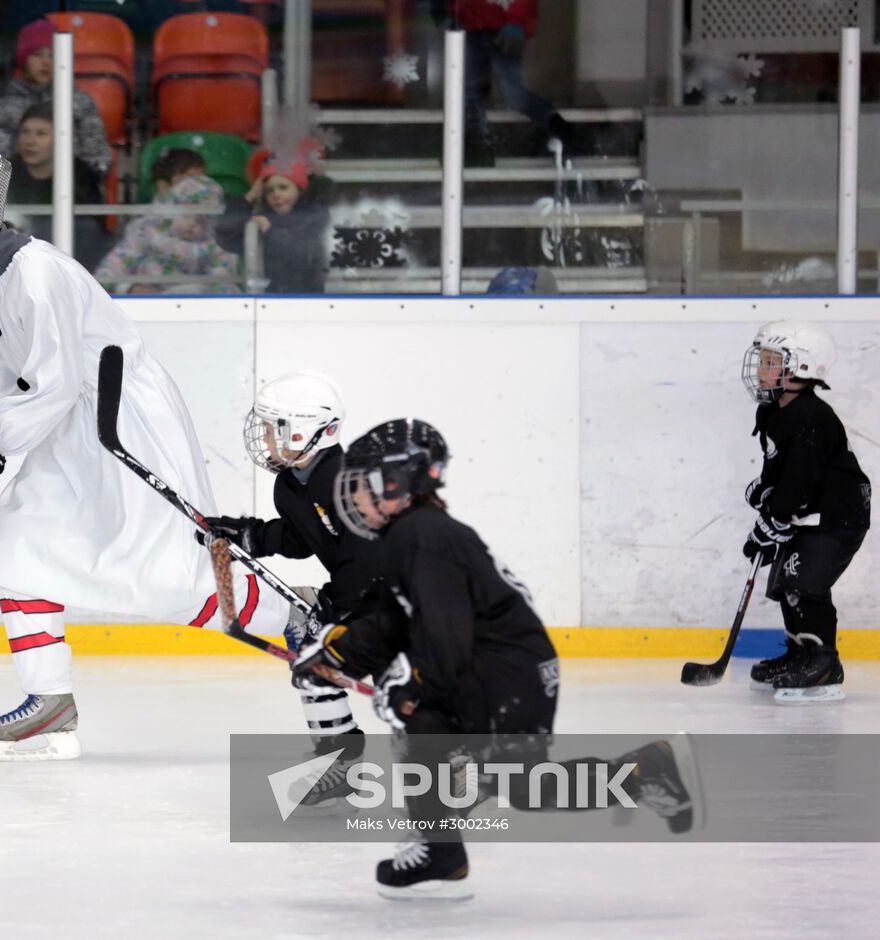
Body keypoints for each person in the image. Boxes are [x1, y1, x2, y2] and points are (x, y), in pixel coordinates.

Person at [0, 152, 308, 761]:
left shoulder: (36, 275)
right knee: (19, 550)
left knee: (170, 573)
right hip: (68, 424)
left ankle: (300, 624)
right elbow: (2, 371)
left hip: (121, 424)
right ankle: (49, 704)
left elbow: (56, 382)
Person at [292, 419, 701, 899]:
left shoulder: (422, 536)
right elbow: (395, 621)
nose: (353, 499)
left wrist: (410, 687)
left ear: (398, 481)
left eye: (362, 485)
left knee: (453, 743)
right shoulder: (410, 535)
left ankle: (445, 849)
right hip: (505, 668)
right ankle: (638, 773)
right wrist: (338, 654)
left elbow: (445, 635)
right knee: (488, 765)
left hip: (506, 675)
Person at [203, 373, 382, 812]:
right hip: (362, 601)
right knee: (312, 656)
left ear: (302, 431)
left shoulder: (349, 482)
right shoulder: (291, 484)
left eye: (271, 427)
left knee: (412, 692)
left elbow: (371, 559)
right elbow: (306, 540)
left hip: (403, 604)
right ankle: (339, 760)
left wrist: (335, 605)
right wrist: (250, 536)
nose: (263, 437)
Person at [740, 321, 870, 704]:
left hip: (836, 518)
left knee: (804, 584)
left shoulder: (812, 416)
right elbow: (779, 467)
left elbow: (801, 481)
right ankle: (801, 653)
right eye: (762, 360)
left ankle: (824, 664)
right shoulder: (773, 412)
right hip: (808, 514)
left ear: (803, 367)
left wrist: (775, 516)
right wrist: (766, 495)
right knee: (784, 584)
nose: (761, 369)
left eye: (771, 361)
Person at [428, 0, 576, 164]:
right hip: (469, 27)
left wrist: (516, 21)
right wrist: (443, 11)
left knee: (512, 95)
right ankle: (476, 144)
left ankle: (557, 125)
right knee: (469, 93)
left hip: (501, 27)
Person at [0, 18, 111, 178]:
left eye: (52, 55)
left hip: (74, 187)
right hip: (20, 192)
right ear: (24, 61)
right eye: (37, 55)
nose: (45, 62)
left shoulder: (79, 103)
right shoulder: (5, 107)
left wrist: (80, 179)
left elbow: (98, 158)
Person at [6, 102, 110, 271]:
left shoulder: (82, 176)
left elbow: (89, 231)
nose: (30, 141)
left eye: (41, 134)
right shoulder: (5, 173)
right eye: (25, 132)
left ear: (61, 138)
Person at [93, 175, 238, 294]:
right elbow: (109, 270)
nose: (193, 223)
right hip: (142, 306)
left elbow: (222, 285)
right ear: (172, 209)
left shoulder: (216, 245)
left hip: (192, 311)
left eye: (202, 220)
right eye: (187, 214)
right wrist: (129, 288)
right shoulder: (148, 232)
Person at [216, 149, 330, 295]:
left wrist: (270, 232)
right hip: (267, 300)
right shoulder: (262, 217)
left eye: (283, 188)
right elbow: (225, 236)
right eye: (270, 190)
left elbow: (302, 255)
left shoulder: (314, 215)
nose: (276, 194)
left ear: (299, 190)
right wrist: (248, 198)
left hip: (306, 300)